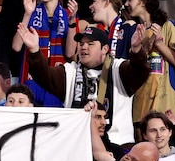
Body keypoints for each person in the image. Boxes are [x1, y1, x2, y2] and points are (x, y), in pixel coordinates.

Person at [17, 24, 150, 145]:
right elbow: (44, 76)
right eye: (81, 44)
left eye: (90, 44)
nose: (83, 47)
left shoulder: (119, 68)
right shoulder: (70, 71)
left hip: (117, 144)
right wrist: (34, 50)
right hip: (78, 144)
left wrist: (136, 49)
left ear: (105, 48)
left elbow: (140, 70)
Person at [123, 0, 175, 123]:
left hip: (165, 104)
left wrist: (158, 43)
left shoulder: (169, 26)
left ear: (143, 2)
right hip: (141, 102)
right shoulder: (132, 30)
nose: (126, 4)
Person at [14, 0, 73, 107]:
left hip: (56, 80)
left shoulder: (69, 15)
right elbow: (16, 46)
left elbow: (70, 53)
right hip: (31, 79)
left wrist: (72, 24)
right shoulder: (31, 12)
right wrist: (27, 14)